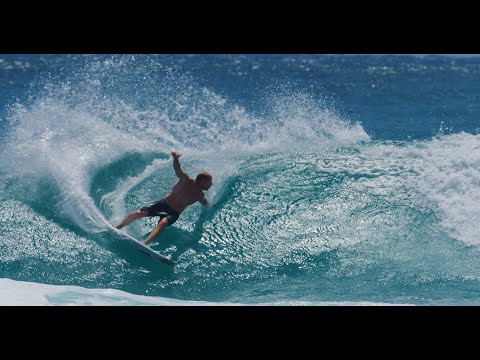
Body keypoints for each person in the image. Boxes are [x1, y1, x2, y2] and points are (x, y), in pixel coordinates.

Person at [115, 151, 212, 245]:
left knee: (163, 223)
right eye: (209, 182)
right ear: (202, 181)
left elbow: (205, 204)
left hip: (174, 213)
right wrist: (176, 159)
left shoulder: (200, 195)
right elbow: (178, 170)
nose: (211, 184)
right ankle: (117, 227)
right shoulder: (186, 180)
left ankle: (144, 243)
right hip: (163, 204)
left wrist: (210, 207)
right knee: (140, 213)